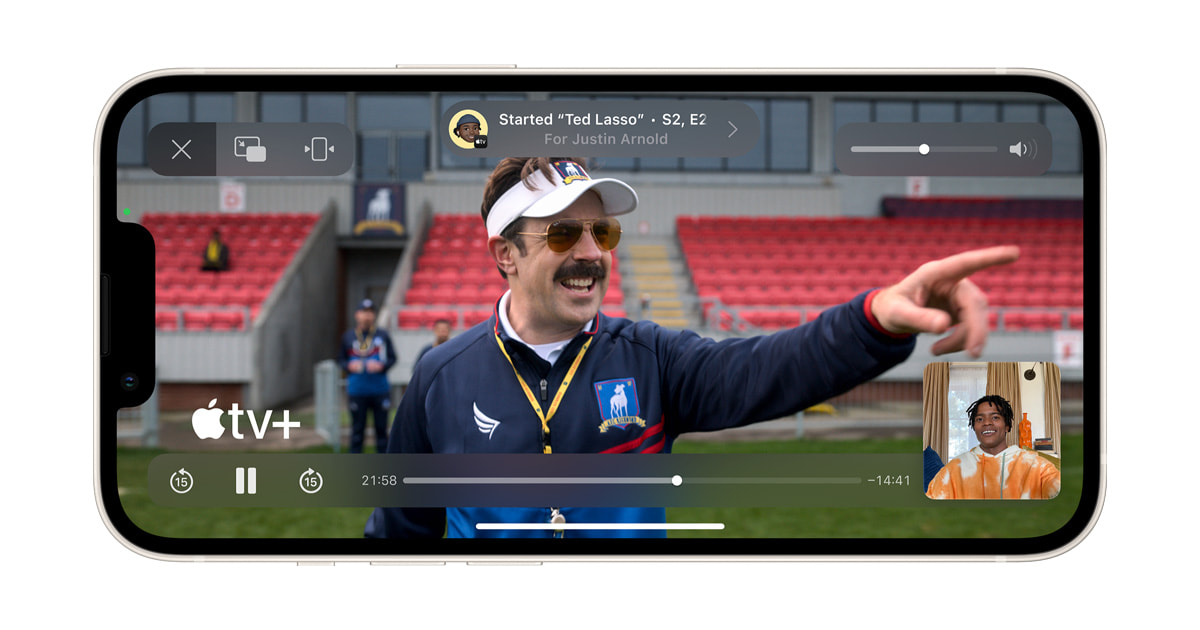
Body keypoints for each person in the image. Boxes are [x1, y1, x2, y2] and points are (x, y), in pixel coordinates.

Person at [365, 157, 1020, 538]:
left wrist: (874, 319)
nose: (592, 253)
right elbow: (400, 531)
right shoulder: (439, 375)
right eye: (563, 234)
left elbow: (769, 369)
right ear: (505, 254)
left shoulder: (651, 358)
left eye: (602, 232)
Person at [925, 394, 1061, 500]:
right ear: (974, 427)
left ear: (1007, 426)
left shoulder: (1036, 465)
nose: (987, 423)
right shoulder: (954, 468)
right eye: (980, 419)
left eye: (995, 417)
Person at [338, 299, 397, 453]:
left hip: (380, 390)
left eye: (370, 312)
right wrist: (349, 366)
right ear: (357, 315)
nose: (367, 316)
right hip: (357, 390)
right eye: (364, 312)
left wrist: (381, 366)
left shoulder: (382, 335)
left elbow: (393, 358)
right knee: (357, 431)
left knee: (382, 431)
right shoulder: (348, 336)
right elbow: (341, 359)